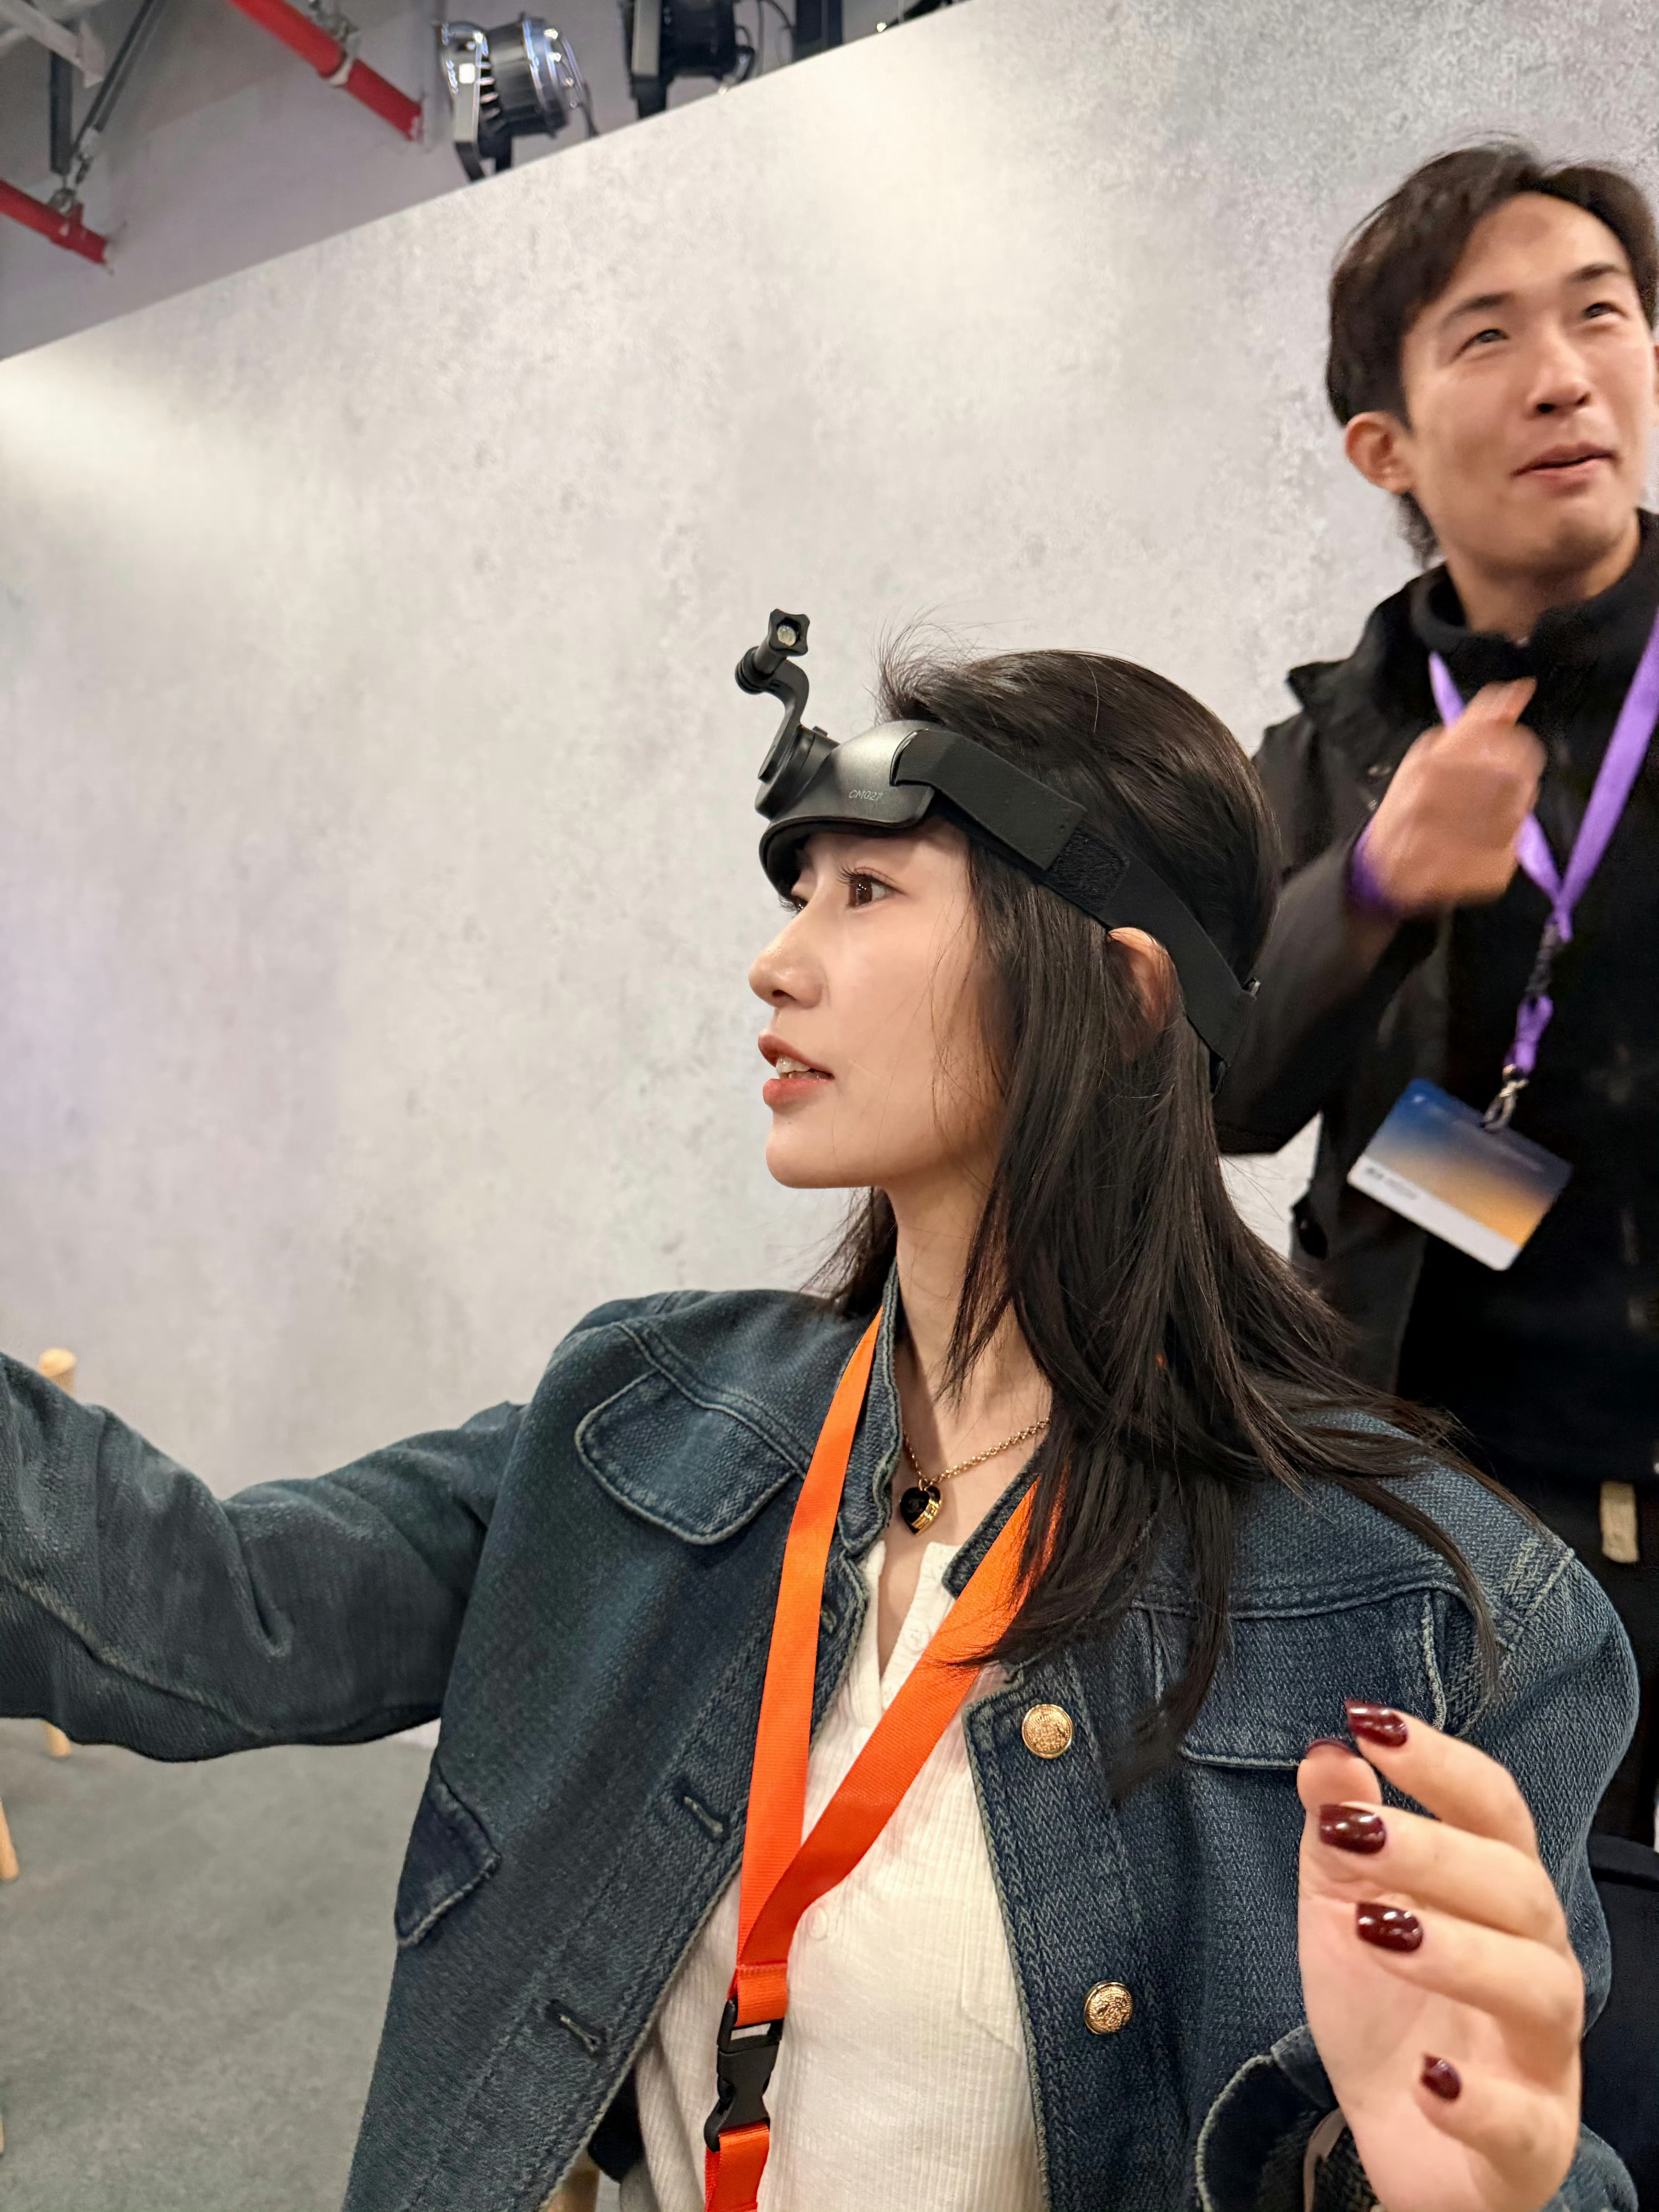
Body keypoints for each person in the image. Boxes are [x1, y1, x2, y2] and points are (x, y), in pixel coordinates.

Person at [0, 638, 1635, 2212]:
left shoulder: (1437, 1616)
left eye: (868, 893)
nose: (778, 961)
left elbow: (1512, 2144)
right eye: (799, 893)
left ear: (1121, 991)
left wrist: (1435, 2189)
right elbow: (215, 1611)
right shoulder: (634, 1427)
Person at [1213, 143, 1659, 1853]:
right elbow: (1221, 1087)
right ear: (1382, 446)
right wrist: (1375, 889)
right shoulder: (1326, 752)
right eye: (1487, 335)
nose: (1562, 375)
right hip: (1452, 1525)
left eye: (1600, 315)